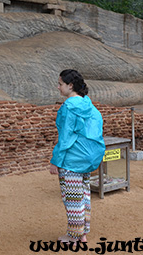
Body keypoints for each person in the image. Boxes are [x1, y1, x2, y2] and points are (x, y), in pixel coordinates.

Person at [49, 69, 106, 244]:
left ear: (70, 85)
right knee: (84, 196)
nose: (58, 87)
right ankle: (83, 232)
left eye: (60, 84)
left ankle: (73, 236)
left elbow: (65, 138)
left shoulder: (68, 107)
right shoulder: (90, 106)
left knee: (72, 199)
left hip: (72, 161)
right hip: (87, 159)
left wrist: (55, 161)